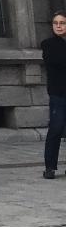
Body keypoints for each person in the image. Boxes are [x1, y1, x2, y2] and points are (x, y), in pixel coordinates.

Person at [42, 12, 66, 179]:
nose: (58, 26)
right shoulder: (48, 44)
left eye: (62, 23)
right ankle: (50, 167)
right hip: (58, 94)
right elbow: (56, 62)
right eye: (55, 23)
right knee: (56, 129)